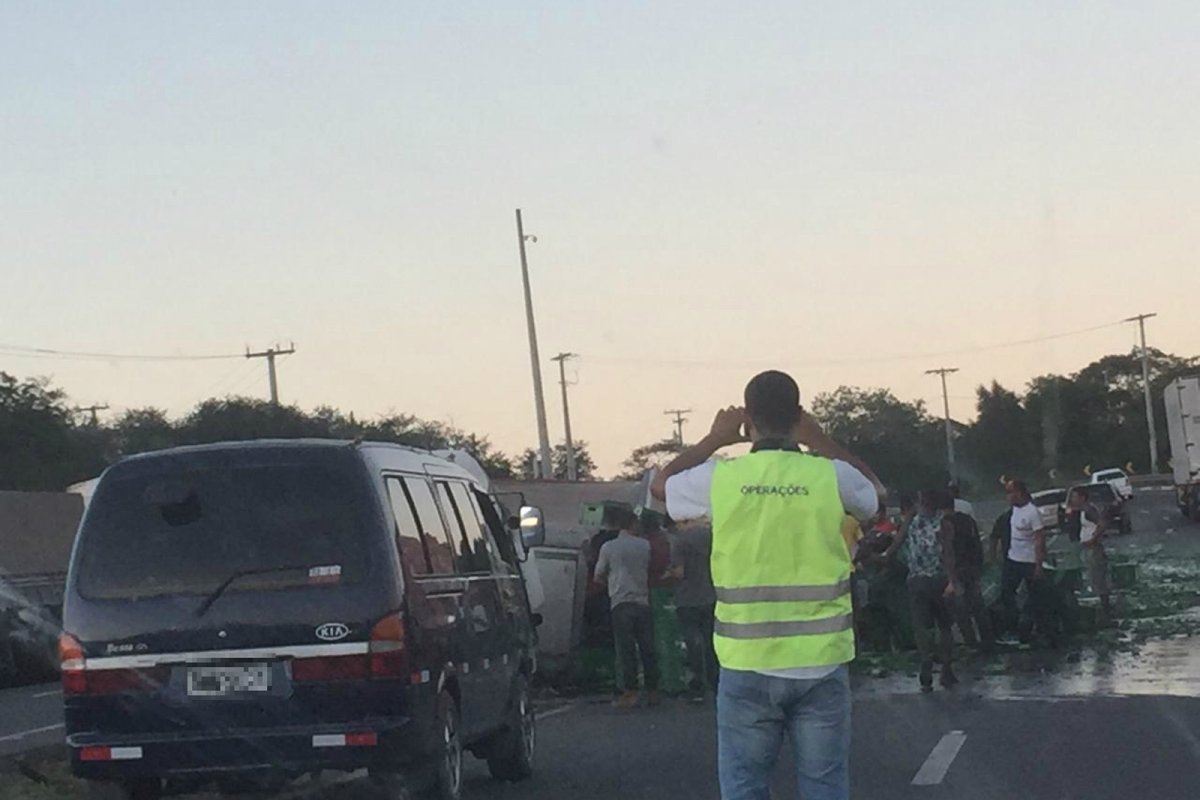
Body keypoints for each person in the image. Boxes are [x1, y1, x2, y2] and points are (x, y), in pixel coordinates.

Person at [651, 370, 879, 800]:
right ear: (799, 416)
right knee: (825, 787)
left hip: (747, 662)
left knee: (745, 789)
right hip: (821, 663)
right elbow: (875, 491)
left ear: (748, 421)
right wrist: (822, 440)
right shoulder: (829, 476)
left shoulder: (722, 478)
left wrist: (714, 439)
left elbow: (661, 486)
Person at [884, 489, 960, 691]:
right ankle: (946, 669)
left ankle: (925, 660)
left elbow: (895, 547)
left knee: (921, 626)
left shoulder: (910, 522)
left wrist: (881, 556)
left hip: (916, 580)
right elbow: (948, 554)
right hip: (939, 579)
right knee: (944, 626)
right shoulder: (944, 524)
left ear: (920, 502)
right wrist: (953, 581)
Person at [594, 506, 660, 708]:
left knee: (626, 649)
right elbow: (655, 569)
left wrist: (612, 585)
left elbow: (598, 575)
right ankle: (653, 691)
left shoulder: (608, 547)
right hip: (642, 601)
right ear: (633, 524)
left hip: (620, 602)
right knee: (648, 647)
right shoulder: (645, 546)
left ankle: (630, 691)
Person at [999, 480, 1053, 646]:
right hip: (1013, 559)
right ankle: (1013, 629)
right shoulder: (1014, 511)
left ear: (1019, 493)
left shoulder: (1033, 513)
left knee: (1037, 597)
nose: (1008, 497)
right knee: (1006, 593)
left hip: (1029, 561)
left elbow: (1039, 540)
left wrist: (1039, 564)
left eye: (1010, 492)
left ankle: (1040, 631)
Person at [669, 522, 719, 699]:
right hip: (711, 595)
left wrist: (668, 573)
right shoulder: (713, 536)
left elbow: (679, 572)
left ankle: (697, 684)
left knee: (692, 641)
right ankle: (716, 683)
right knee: (710, 641)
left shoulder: (680, 541)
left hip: (688, 598)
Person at [943, 493, 993, 652]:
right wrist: (979, 564)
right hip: (972, 567)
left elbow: (947, 550)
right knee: (978, 604)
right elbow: (977, 543)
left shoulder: (945, 523)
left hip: (957, 568)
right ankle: (987, 639)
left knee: (960, 607)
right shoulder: (968, 520)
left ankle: (970, 641)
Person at [1064, 486, 1113, 624]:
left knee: (1098, 578)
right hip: (1086, 548)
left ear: (1082, 498)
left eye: (1074, 497)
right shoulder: (1080, 511)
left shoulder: (1088, 510)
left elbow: (1102, 523)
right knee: (1093, 577)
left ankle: (1106, 609)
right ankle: (1103, 608)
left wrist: (1093, 539)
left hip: (1094, 548)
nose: (1072, 500)